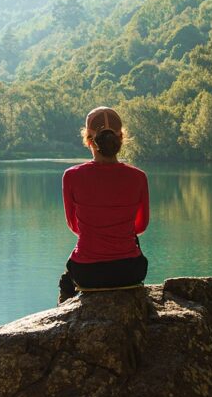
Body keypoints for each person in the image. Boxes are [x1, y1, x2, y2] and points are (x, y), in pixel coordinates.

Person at [58, 106, 149, 303]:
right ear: (121, 138)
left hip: (87, 274)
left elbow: (75, 227)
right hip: (130, 271)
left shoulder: (71, 176)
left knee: (67, 280)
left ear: (88, 140)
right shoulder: (139, 177)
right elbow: (140, 227)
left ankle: (63, 316)